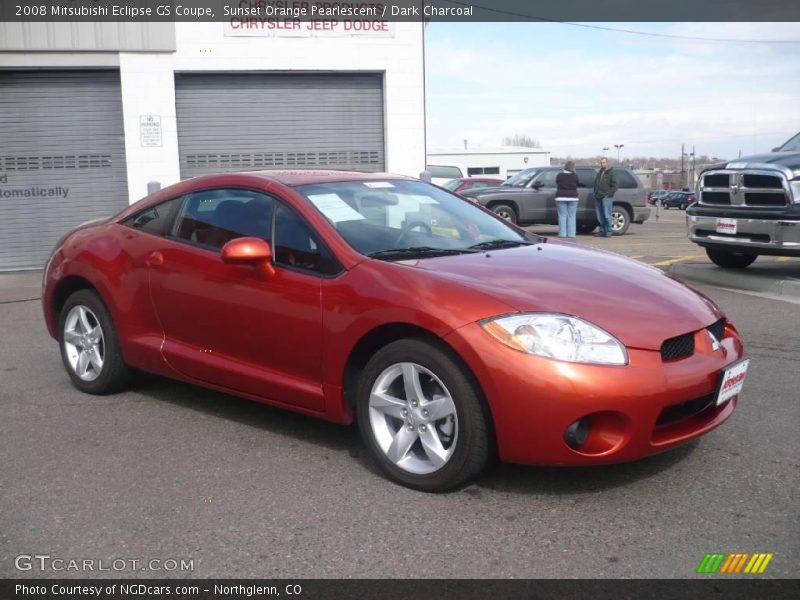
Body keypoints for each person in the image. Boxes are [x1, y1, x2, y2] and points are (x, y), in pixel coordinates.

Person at [593, 157, 618, 237]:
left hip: (606, 197)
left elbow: (615, 186)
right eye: (601, 163)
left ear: (607, 163)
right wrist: (595, 193)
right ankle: (602, 231)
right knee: (600, 215)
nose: (602, 164)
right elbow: (596, 183)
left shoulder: (611, 173)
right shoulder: (600, 172)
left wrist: (608, 194)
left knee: (607, 215)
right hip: (598, 196)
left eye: (603, 162)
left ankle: (608, 231)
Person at [555, 161, 579, 238]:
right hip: (573, 198)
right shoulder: (575, 176)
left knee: (562, 216)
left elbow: (557, 182)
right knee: (571, 216)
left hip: (560, 197)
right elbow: (577, 183)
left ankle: (562, 234)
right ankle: (571, 234)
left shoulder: (559, 175)